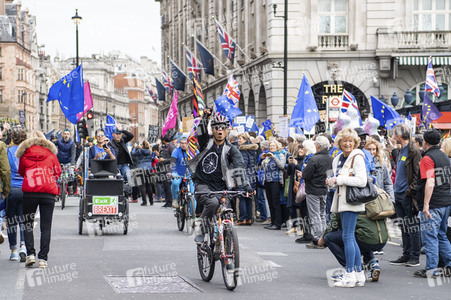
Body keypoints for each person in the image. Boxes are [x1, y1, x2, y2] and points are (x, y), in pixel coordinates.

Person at [187, 109, 252, 244]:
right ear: (213, 130)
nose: (220, 130)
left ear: (227, 130)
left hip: (222, 187)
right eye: (216, 128)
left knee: (226, 210)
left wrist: (245, 185)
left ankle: (227, 247)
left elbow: (239, 168)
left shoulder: (232, 150)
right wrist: (205, 117)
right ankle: (202, 230)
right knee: (213, 203)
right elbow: (200, 132)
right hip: (203, 184)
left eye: (223, 127)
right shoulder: (206, 143)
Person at [326, 128, 367, 288]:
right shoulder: (336, 159)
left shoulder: (357, 157)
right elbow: (334, 177)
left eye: (350, 141)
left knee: (348, 237)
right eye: (345, 141)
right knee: (350, 237)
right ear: (339, 142)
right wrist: (331, 181)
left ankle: (350, 275)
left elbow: (362, 181)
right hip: (342, 200)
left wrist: (340, 179)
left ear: (355, 142)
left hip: (352, 201)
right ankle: (358, 274)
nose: (347, 143)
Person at [16, 131, 61, 269]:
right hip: (48, 192)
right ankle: (43, 259)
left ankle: (30, 254)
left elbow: (21, 172)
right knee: (45, 227)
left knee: (27, 224)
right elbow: (57, 172)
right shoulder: (51, 155)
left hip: (30, 192)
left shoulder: (25, 155)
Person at [414, 129, 451, 278]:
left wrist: (426, 205)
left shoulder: (427, 158)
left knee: (430, 237)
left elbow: (430, 182)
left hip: (434, 204)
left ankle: (431, 269)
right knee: (441, 235)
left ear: (425, 142)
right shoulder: (444, 156)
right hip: (445, 202)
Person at [319, 211, 388, 282]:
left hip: (365, 238)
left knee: (336, 238)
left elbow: (335, 222)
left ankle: (350, 270)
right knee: (364, 232)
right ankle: (373, 263)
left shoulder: (344, 200)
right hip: (382, 238)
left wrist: (323, 238)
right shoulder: (369, 200)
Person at [389, 124, 422, 268]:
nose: (393, 136)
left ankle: (414, 256)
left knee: (412, 226)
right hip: (399, 195)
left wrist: (410, 191)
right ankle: (406, 254)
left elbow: (417, 174)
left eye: (394, 134)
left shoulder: (413, 151)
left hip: (407, 195)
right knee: (403, 226)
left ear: (400, 136)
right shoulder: (402, 150)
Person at [299, 136, 333, 249]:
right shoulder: (331, 158)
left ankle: (318, 238)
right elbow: (330, 174)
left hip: (313, 189)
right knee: (322, 214)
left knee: (315, 215)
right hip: (324, 189)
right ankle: (323, 237)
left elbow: (306, 175)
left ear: (317, 146)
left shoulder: (314, 159)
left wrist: (302, 173)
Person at [6, 128, 27, 262]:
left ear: (12, 137)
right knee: (24, 219)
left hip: (11, 188)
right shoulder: (26, 151)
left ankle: (13, 250)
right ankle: (23, 245)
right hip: (25, 188)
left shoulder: (8, 151)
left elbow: (4, 170)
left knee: (11, 220)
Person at [260, 140, 286, 230]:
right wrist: (262, 158)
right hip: (267, 181)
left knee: (276, 203)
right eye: (270, 146)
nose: (271, 148)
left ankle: (277, 223)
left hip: (276, 181)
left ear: (277, 147)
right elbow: (261, 167)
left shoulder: (280, 155)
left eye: (273, 146)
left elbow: (281, 166)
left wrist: (274, 157)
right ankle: (272, 222)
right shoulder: (268, 157)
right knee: (270, 202)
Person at [237, 133, 258, 225]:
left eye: (240, 139)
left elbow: (243, 165)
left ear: (245, 139)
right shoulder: (252, 151)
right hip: (252, 175)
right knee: (249, 197)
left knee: (242, 196)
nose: (239, 141)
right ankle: (249, 218)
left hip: (243, 176)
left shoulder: (242, 151)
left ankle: (242, 219)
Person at [170, 136, 195, 209]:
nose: (183, 145)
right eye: (181, 143)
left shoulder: (194, 151)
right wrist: (169, 172)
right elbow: (172, 163)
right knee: (175, 182)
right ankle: (175, 199)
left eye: (185, 143)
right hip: (178, 173)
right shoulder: (176, 151)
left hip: (189, 174)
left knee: (192, 194)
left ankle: (192, 214)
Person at [131, 140, 156, 206]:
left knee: (141, 185)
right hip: (149, 169)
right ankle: (151, 201)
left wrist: (135, 147)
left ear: (142, 145)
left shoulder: (140, 151)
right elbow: (153, 159)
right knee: (149, 185)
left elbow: (133, 153)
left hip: (141, 169)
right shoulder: (151, 152)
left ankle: (144, 201)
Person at [159, 131, 177, 208]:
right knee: (165, 186)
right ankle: (167, 201)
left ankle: (170, 201)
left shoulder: (171, 147)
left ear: (163, 140)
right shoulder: (164, 147)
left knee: (168, 186)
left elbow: (174, 159)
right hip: (163, 169)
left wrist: (164, 160)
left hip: (168, 169)